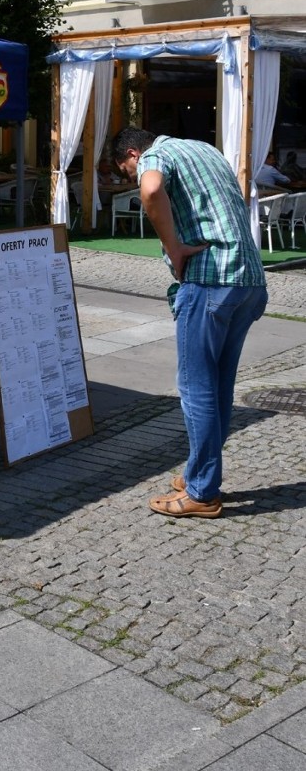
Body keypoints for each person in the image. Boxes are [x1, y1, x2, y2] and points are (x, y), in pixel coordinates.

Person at [112, 128, 267, 519]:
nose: (133, 174)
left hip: (211, 279)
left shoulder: (154, 157)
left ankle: (202, 492)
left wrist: (173, 247)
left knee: (196, 387)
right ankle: (201, 473)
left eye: (127, 169)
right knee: (218, 386)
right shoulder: (205, 149)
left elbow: (149, 190)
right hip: (249, 280)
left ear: (133, 152)